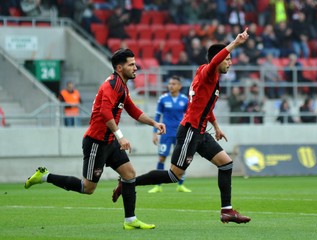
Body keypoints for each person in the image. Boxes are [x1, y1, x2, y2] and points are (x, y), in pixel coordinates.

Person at [112, 28, 251, 224]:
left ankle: (226, 210)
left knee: (226, 163)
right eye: (227, 59)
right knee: (174, 175)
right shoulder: (208, 71)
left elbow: (205, 106)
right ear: (218, 60)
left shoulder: (211, 79)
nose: (230, 62)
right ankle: (128, 181)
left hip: (201, 132)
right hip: (190, 131)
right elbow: (214, 64)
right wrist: (235, 43)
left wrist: (216, 126)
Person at [24, 48, 166, 230]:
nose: (135, 67)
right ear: (120, 67)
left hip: (110, 142)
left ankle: (130, 220)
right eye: (131, 64)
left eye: (134, 63)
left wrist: (154, 123)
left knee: (129, 174)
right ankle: (44, 176)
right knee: (87, 188)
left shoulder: (122, 86)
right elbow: (104, 112)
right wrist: (121, 137)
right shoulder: (111, 85)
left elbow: (133, 110)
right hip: (96, 143)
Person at [148, 76, 190, 193]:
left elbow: (188, 117)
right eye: (170, 83)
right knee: (162, 158)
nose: (171, 86)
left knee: (181, 159)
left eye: (174, 84)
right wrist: (154, 133)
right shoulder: (163, 99)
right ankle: (158, 185)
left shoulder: (185, 100)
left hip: (180, 134)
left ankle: (180, 185)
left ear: (179, 86)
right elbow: (157, 116)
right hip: (165, 133)